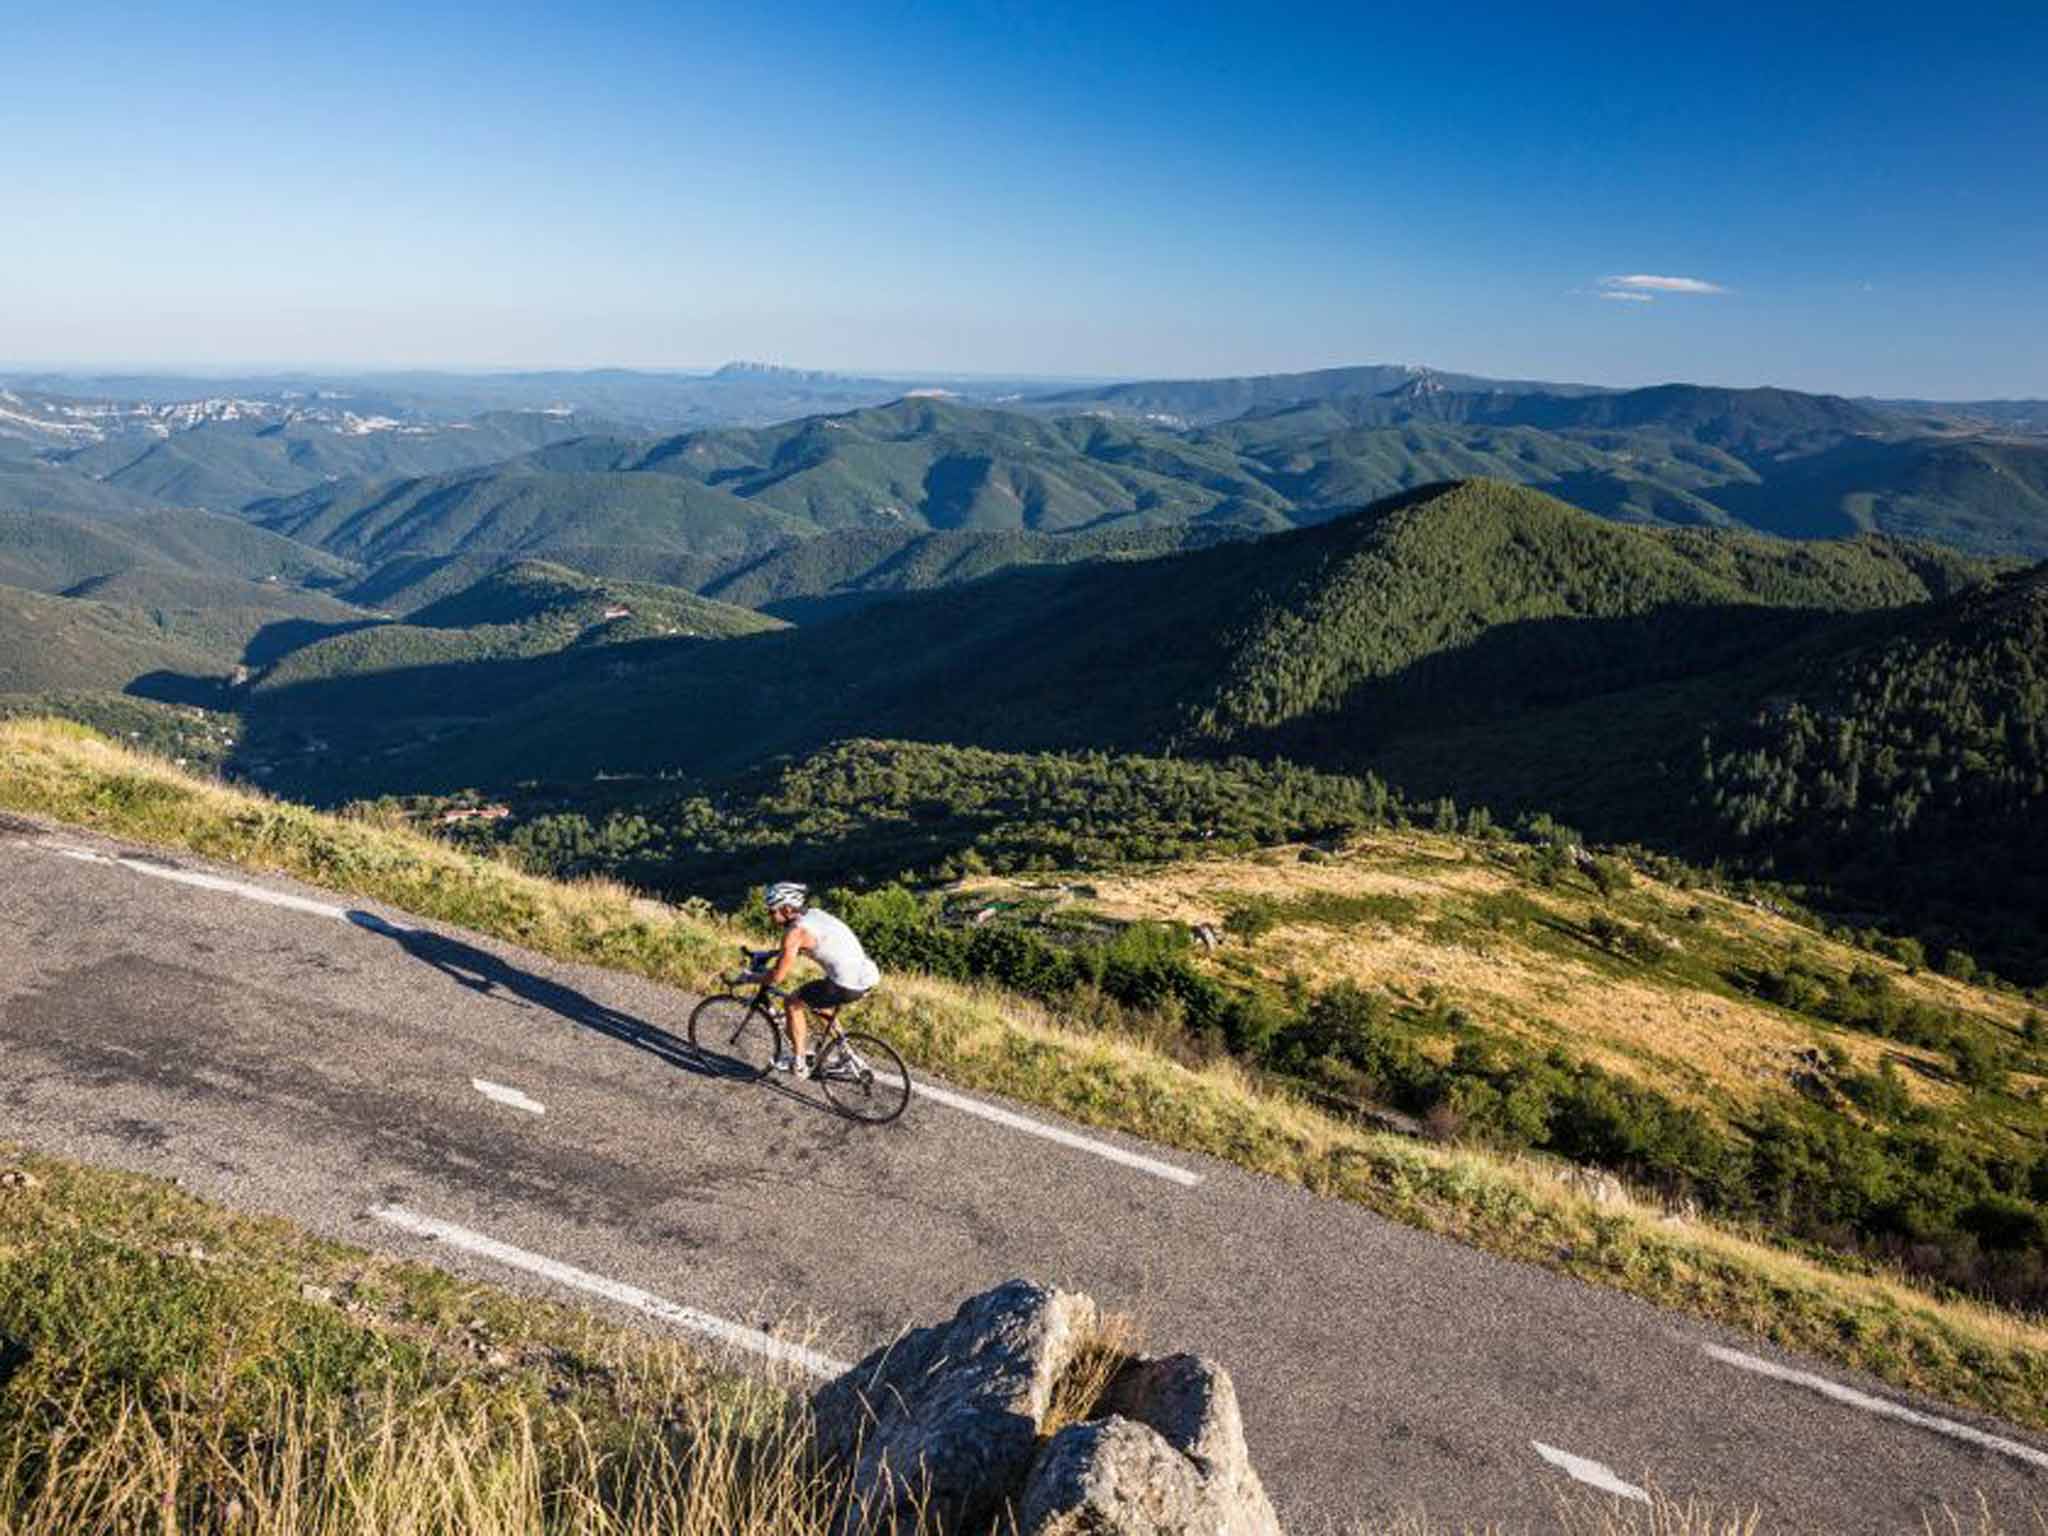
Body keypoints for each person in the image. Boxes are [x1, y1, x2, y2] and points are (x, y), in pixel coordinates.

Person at [759, 881, 880, 1075]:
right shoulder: (814, 915)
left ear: (788, 909)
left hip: (846, 982)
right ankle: (845, 1055)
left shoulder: (795, 932)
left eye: (772, 911)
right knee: (821, 1001)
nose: (770, 916)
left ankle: (799, 1064)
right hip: (867, 975)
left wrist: (750, 978)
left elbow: (777, 977)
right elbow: (804, 947)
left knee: (792, 1002)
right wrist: (767, 954)